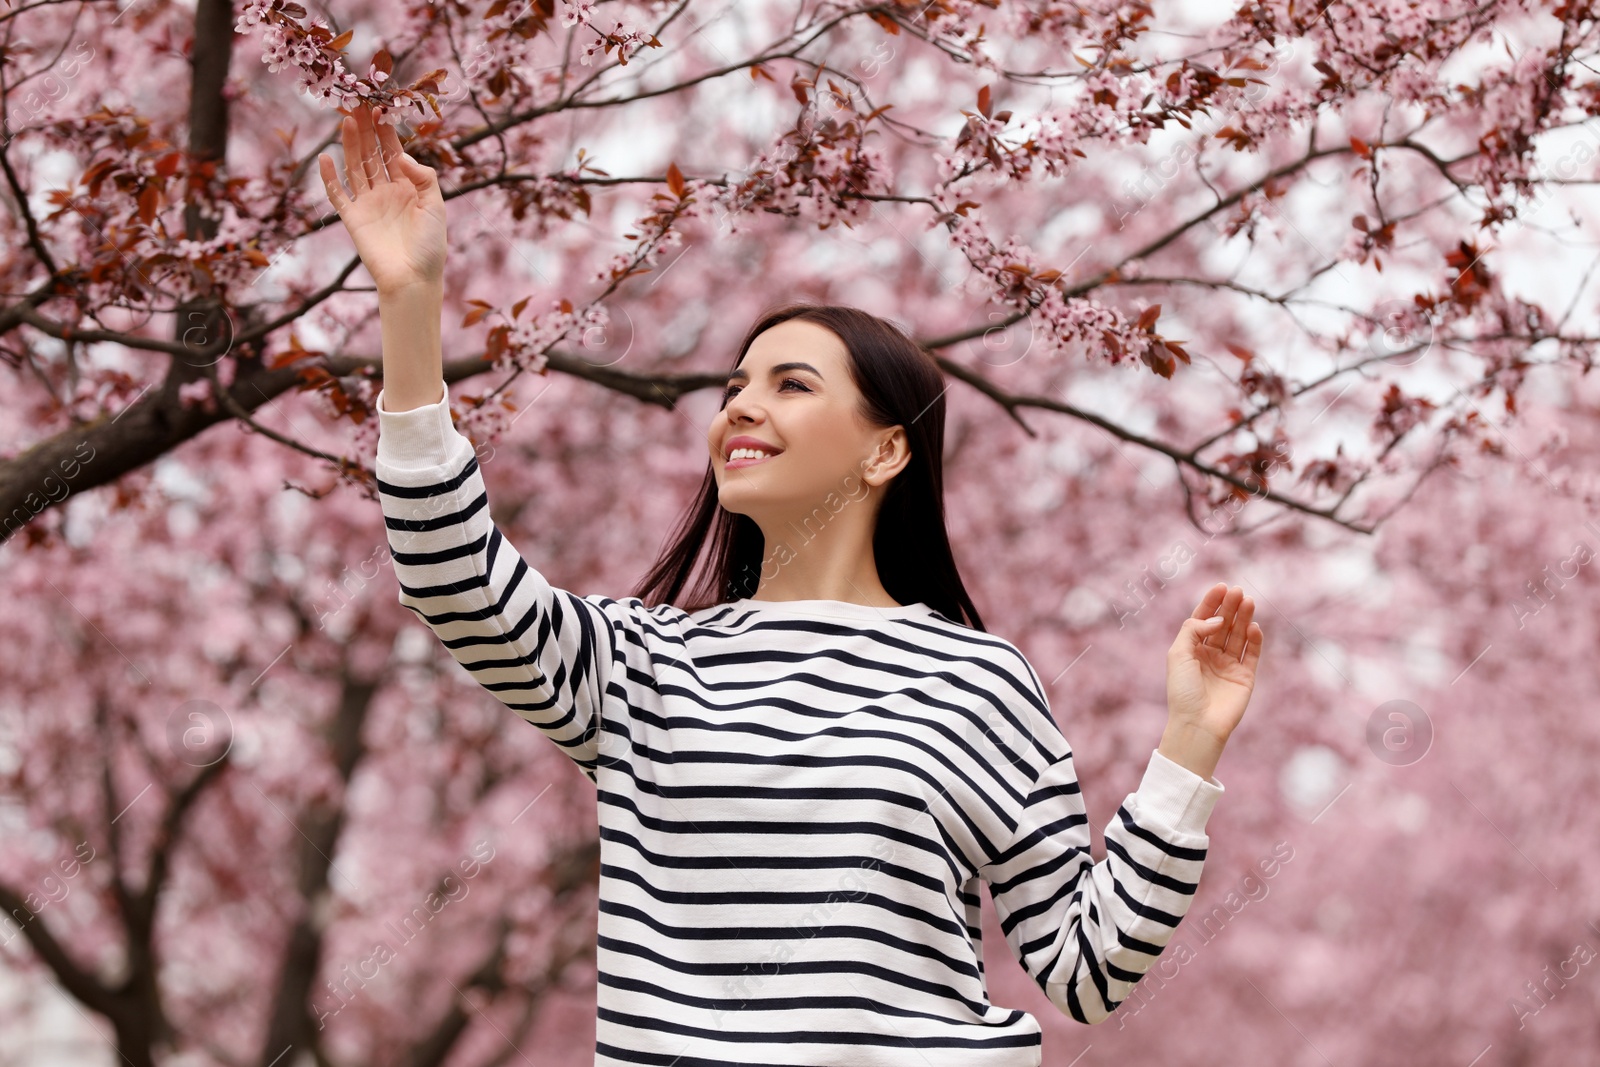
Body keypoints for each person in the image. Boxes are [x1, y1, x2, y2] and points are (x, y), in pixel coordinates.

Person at [322, 102, 1266, 1067]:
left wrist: (1189, 745)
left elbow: (1088, 970)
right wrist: (410, 303)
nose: (742, 405)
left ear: (886, 447)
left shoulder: (979, 684)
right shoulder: (646, 665)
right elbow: (453, 576)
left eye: (791, 384)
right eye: (735, 386)